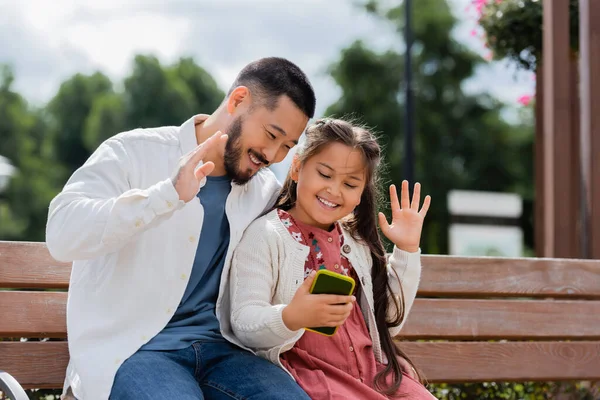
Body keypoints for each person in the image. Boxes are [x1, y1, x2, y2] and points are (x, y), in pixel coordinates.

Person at [45, 57, 317, 400]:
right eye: (272, 135)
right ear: (237, 101)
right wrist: (166, 195)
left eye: (287, 147)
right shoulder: (133, 153)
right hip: (135, 351)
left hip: (226, 353)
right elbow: (61, 233)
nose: (273, 155)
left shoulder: (264, 194)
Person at [227, 118, 436, 399]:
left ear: (361, 193)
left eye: (350, 184)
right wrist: (291, 316)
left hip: (375, 375)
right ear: (298, 167)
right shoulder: (265, 235)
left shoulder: (356, 243)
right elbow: (243, 322)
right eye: (325, 174)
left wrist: (407, 250)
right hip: (316, 380)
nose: (334, 190)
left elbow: (389, 320)